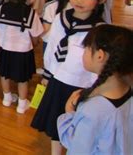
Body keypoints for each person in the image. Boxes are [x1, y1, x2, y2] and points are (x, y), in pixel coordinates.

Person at [31, 0, 109, 155]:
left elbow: (100, 67)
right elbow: (51, 47)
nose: (79, 0)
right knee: (56, 125)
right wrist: (48, 74)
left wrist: (93, 90)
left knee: (80, 130)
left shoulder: (99, 30)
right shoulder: (60, 18)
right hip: (58, 82)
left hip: (82, 88)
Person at [57, 25, 133, 154]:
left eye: (86, 48)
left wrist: (69, 113)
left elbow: (78, 147)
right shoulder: (128, 90)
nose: (84, 52)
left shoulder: (93, 111)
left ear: (99, 56)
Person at [0, 0, 44, 113]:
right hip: (23, 51)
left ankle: (7, 98)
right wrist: (34, 44)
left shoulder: (0, 9)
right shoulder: (30, 13)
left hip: (5, 49)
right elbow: (36, 35)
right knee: (23, 78)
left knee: (4, 74)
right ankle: (21, 104)